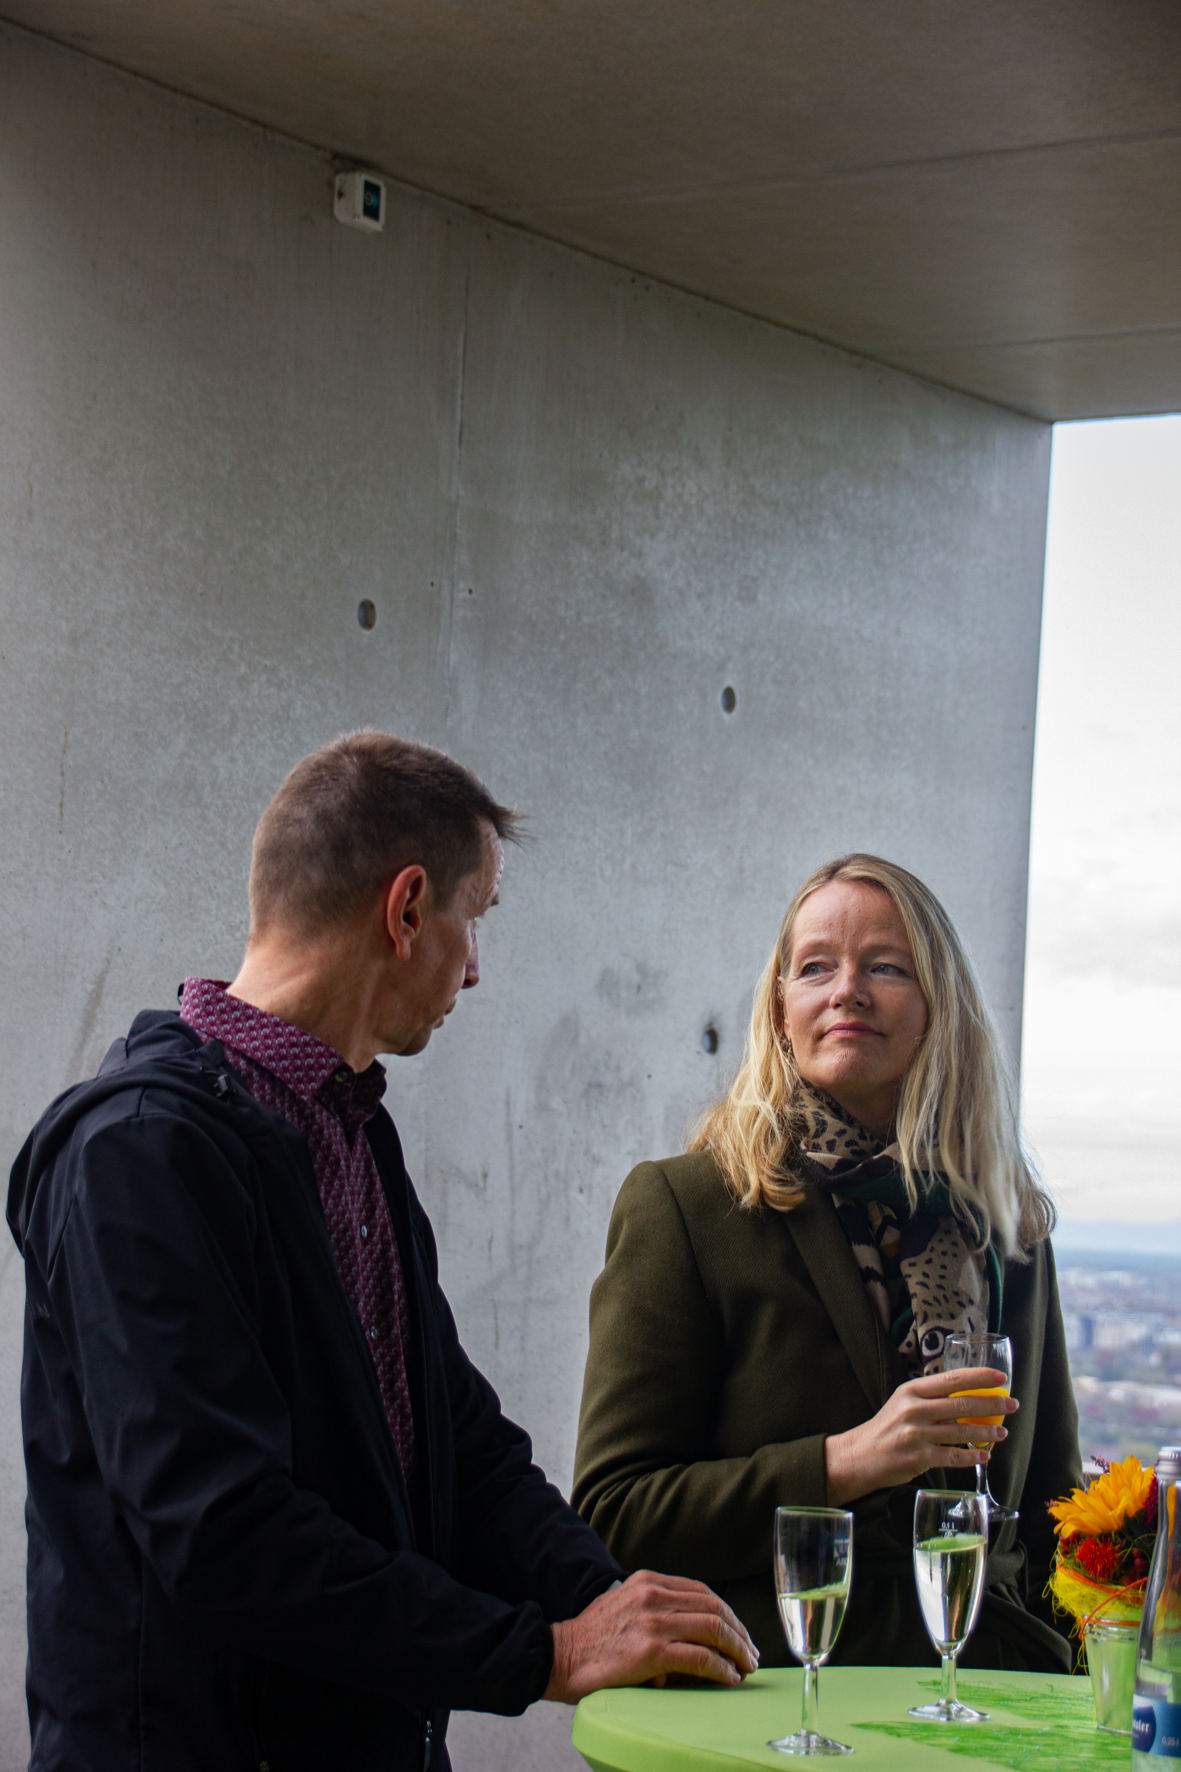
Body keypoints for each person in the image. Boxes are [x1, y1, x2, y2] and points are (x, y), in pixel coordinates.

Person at [8, 732, 756, 1772]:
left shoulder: (349, 1126)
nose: (477, 966)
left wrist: (604, 1597)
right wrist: (540, 1650)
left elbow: (455, 1433)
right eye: (476, 916)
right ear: (407, 908)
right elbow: (225, 1531)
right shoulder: (139, 1149)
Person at [573, 853, 1081, 1672]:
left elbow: (1054, 1506)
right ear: (779, 1009)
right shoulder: (689, 1206)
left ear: (936, 1010)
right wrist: (847, 1461)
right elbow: (614, 1513)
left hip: (991, 1698)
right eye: (814, 967)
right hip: (779, 1698)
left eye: (885, 966)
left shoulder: (1005, 1218)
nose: (846, 989)